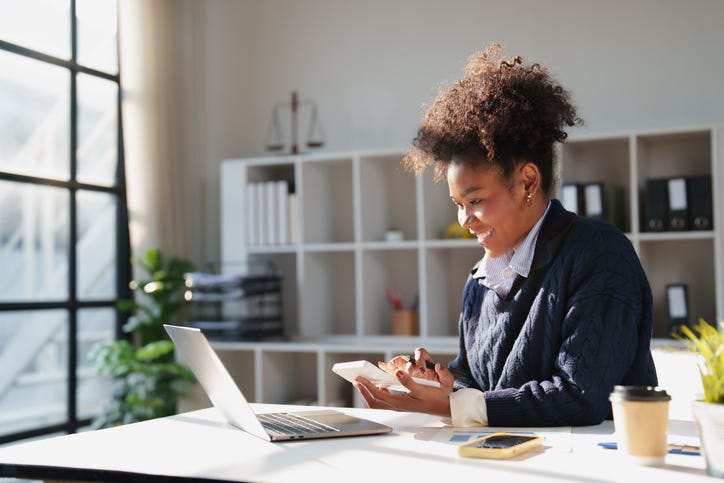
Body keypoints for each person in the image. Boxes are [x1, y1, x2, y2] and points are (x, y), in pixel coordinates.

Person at [353, 43, 658, 427]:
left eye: (475, 200)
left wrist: (452, 406)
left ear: (528, 181)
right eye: (457, 203)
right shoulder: (480, 281)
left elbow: (581, 397)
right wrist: (440, 384)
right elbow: (479, 385)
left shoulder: (599, 255)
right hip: (503, 460)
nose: (465, 220)